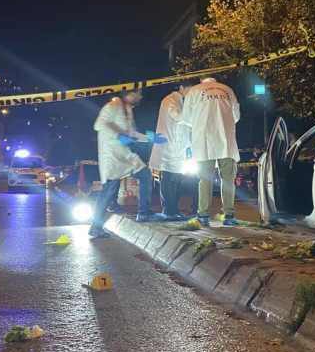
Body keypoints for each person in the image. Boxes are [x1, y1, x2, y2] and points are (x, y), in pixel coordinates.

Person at [89, 89, 167, 239]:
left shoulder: (128, 110)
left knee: (145, 174)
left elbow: (132, 134)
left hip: (124, 154)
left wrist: (152, 138)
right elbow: (99, 124)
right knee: (109, 190)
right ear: (130, 93)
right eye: (139, 93)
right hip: (111, 154)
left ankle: (144, 213)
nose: (141, 96)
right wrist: (119, 134)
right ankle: (95, 227)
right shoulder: (114, 104)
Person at [181, 77, 241, 226]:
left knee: (205, 179)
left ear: (201, 78)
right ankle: (229, 215)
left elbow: (187, 118)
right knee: (227, 179)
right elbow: (236, 116)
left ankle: (203, 215)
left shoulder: (194, 91)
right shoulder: (227, 90)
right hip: (226, 141)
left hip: (203, 141)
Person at [149, 82, 195, 220]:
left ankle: (173, 210)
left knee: (175, 180)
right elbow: (178, 117)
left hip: (177, 149)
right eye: (190, 89)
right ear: (182, 87)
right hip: (169, 148)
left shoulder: (180, 101)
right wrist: (197, 117)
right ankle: (169, 211)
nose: (192, 93)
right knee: (169, 180)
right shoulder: (170, 100)